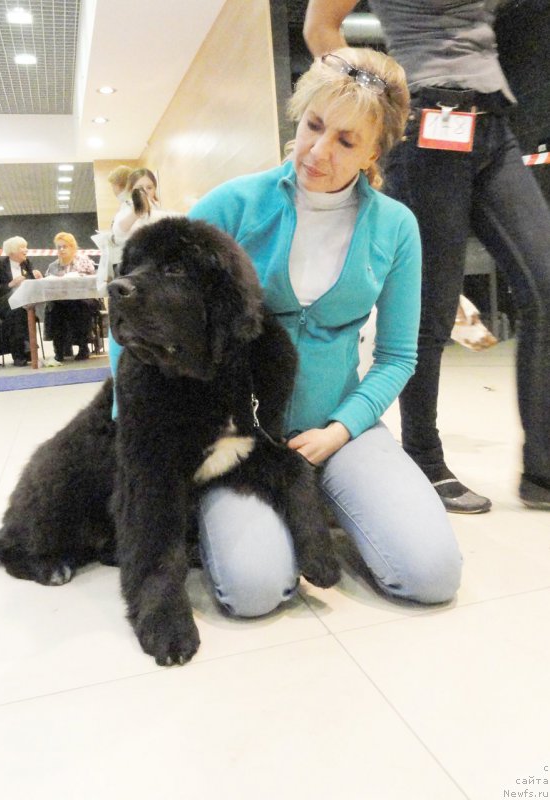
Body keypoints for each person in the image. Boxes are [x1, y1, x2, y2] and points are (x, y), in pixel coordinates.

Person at [110, 47, 462, 618]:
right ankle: (256, 511)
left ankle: (327, 496)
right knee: (254, 591)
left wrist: (341, 430)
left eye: (347, 142)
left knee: (431, 575)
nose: (319, 152)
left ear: (376, 150)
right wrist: (140, 433)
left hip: (340, 427)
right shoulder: (234, 204)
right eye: (313, 126)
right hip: (237, 436)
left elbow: (398, 356)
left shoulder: (397, 228)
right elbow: (134, 308)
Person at [304, 0, 550, 513]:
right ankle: (423, 456)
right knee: (431, 311)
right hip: (424, 124)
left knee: (546, 288)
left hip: (492, 123)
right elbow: (319, 26)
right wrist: (376, 107)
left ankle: (543, 468)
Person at [0, 236, 43, 366]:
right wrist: (10, 284)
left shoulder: (27, 264)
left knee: (24, 311)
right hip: (4, 304)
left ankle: (25, 350)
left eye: (26, 246)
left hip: (24, 303)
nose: (26, 250)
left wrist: (38, 278)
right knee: (18, 314)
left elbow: (31, 285)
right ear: (12, 251)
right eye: (22, 248)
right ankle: (20, 353)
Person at [45, 232, 96, 362]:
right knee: (54, 309)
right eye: (59, 247)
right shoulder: (52, 266)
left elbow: (92, 283)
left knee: (77, 308)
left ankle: (83, 347)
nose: (61, 250)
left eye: (64, 246)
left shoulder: (84, 262)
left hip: (82, 299)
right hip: (60, 301)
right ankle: (59, 350)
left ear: (72, 247)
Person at [111, 168, 176, 246]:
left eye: (149, 188)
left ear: (154, 189)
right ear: (131, 190)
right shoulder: (127, 208)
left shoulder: (159, 209)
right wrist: (136, 213)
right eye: (139, 188)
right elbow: (119, 231)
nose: (145, 191)